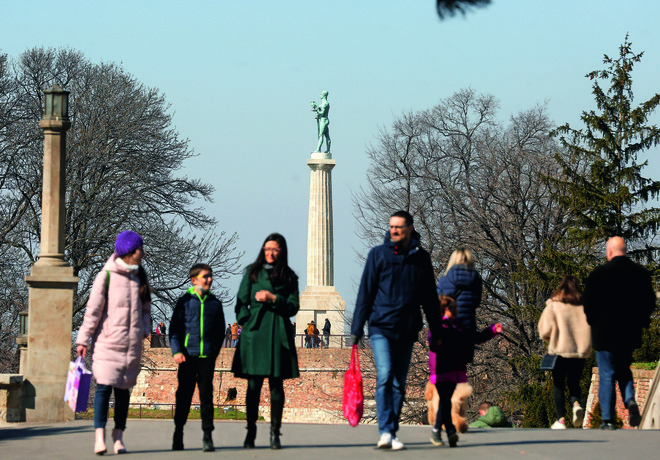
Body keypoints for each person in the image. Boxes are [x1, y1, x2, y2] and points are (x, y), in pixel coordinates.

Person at [351, 210, 441, 450]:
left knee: (399, 383)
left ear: (410, 228)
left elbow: (430, 298)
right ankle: (385, 432)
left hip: (407, 326)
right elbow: (365, 293)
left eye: (399, 227)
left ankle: (392, 430)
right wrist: (356, 328)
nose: (394, 231)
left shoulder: (421, 258)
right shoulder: (377, 255)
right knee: (385, 375)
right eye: (391, 226)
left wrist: (437, 331)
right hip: (381, 326)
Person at [76, 230, 151, 455]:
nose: (143, 252)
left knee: (123, 392)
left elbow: (146, 308)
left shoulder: (141, 276)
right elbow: (92, 311)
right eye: (140, 248)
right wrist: (83, 339)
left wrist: (144, 330)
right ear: (130, 251)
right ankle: (99, 436)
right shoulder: (105, 276)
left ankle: (118, 436)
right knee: (103, 388)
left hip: (132, 345)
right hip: (108, 343)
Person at [231, 233, 300, 449]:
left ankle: (274, 433)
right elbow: (241, 302)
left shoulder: (289, 277)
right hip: (255, 332)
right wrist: (246, 322)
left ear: (282, 251)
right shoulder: (252, 273)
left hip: (278, 332)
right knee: (253, 386)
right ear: (263, 250)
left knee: (276, 385)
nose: (270, 253)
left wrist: (273, 299)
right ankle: (250, 431)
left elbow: (293, 306)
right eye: (267, 249)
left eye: (275, 249)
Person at [583, 236, 656, 429]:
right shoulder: (640, 274)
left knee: (606, 373)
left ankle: (607, 419)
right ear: (625, 251)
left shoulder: (599, 274)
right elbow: (649, 303)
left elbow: (588, 305)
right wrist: (641, 323)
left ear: (609, 252)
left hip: (604, 332)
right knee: (623, 369)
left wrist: (593, 322)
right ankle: (630, 399)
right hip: (628, 332)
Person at [428, 294, 502, 446]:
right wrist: (438, 341)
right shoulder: (438, 325)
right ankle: (444, 431)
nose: (456, 310)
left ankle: (444, 431)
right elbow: (432, 343)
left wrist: (492, 330)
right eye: (452, 308)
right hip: (442, 369)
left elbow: (475, 337)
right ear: (444, 309)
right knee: (445, 400)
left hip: (455, 368)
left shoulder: (459, 325)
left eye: (456, 307)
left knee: (446, 400)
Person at [169, 263, 225, 452]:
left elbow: (220, 331)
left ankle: (207, 435)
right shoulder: (184, 302)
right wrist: (176, 351)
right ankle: (178, 432)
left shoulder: (215, 303)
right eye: (205, 276)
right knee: (184, 395)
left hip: (207, 356)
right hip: (187, 356)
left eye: (210, 276)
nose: (209, 279)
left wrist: (214, 351)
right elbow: (174, 330)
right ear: (194, 280)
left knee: (206, 396)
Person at [538, 275, 592, 429]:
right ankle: (576, 404)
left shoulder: (554, 305)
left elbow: (544, 329)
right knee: (574, 381)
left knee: (559, 384)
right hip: (579, 351)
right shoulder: (584, 306)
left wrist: (550, 338)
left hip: (560, 350)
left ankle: (560, 419)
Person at [436, 248, 483, 363]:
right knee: (461, 371)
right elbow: (476, 303)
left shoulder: (444, 280)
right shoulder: (476, 280)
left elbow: (437, 305)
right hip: (467, 331)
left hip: (446, 331)